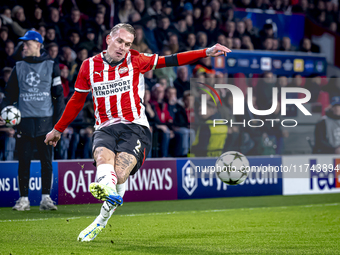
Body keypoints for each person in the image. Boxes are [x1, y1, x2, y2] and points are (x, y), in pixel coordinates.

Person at [44, 23, 231, 242]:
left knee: (120, 174)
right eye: (120, 41)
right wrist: (58, 129)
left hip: (135, 128)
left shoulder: (136, 60)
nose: (123, 47)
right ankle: (105, 187)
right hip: (104, 127)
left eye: (128, 43)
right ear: (108, 39)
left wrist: (206, 52)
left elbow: (171, 59)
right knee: (103, 157)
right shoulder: (88, 66)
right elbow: (76, 100)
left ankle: (100, 220)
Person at [4, 30, 64, 211]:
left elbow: (59, 96)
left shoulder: (52, 66)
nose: (24, 46)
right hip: (24, 123)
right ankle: (24, 200)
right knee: (24, 161)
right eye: (23, 43)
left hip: (46, 124)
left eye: (28, 43)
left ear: (38, 45)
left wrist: (58, 124)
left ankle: (46, 199)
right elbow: (9, 95)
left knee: (47, 161)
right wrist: (2, 111)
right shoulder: (18, 67)